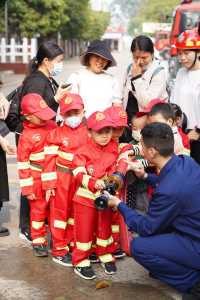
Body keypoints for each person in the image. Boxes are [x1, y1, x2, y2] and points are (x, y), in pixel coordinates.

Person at [107, 122, 200, 300]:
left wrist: (119, 205)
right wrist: (145, 176)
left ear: (152, 152)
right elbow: (171, 182)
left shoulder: (168, 191)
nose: (139, 148)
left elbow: (146, 227)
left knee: (139, 247)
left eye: (141, 145)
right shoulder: (186, 162)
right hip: (193, 230)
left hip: (195, 243)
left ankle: (193, 282)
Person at [7, 42, 69, 242]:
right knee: (31, 184)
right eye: (58, 61)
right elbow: (34, 110)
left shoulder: (47, 78)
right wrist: (56, 100)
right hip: (30, 136)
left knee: (40, 182)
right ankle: (26, 227)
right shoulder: (36, 81)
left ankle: (36, 223)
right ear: (46, 61)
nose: (61, 65)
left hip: (42, 135)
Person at [71, 111, 126, 280]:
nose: (104, 136)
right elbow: (78, 172)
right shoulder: (82, 151)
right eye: (99, 132)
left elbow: (125, 156)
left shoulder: (114, 148)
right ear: (89, 132)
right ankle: (80, 260)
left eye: (108, 131)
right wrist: (94, 182)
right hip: (86, 199)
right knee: (84, 232)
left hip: (106, 198)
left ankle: (105, 254)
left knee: (105, 228)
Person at [42, 93, 88, 266]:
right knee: (59, 214)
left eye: (76, 112)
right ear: (62, 115)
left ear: (83, 111)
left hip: (80, 179)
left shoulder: (90, 132)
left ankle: (73, 244)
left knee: (77, 214)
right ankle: (59, 250)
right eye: (68, 113)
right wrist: (49, 185)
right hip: (61, 179)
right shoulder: (55, 134)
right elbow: (48, 162)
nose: (73, 116)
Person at [17, 93, 57, 257]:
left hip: (54, 176)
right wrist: (28, 189)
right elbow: (22, 164)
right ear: (27, 116)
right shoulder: (26, 137)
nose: (44, 119)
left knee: (55, 210)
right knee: (38, 211)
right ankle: (38, 240)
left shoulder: (53, 126)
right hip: (36, 179)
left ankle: (57, 239)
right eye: (39, 117)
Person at [67, 40, 122, 117]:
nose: (100, 61)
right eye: (97, 56)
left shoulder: (113, 80)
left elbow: (117, 106)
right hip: (83, 126)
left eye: (104, 58)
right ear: (89, 57)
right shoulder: (76, 77)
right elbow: (71, 107)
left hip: (105, 126)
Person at [170, 25, 200, 164]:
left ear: (198, 52)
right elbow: (174, 101)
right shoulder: (181, 73)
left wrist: (197, 132)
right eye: (180, 53)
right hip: (181, 134)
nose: (182, 58)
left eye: (186, 53)